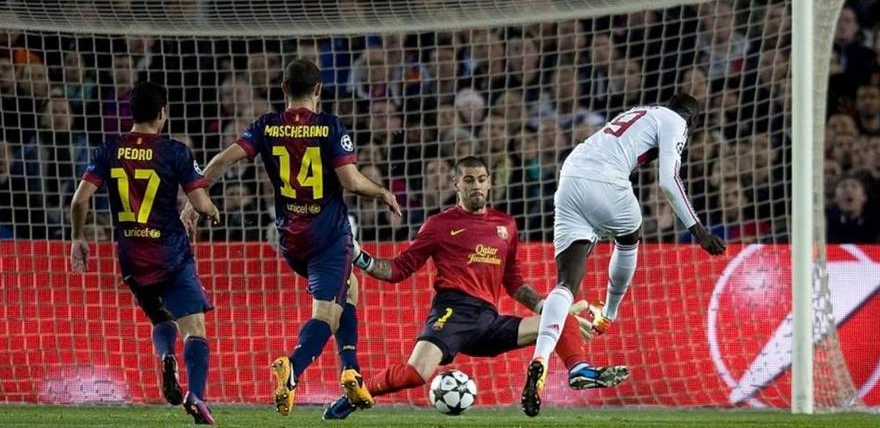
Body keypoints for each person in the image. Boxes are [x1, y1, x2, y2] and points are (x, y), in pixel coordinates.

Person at [323, 157, 626, 421]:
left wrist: (547, 309)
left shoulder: (506, 225)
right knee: (416, 373)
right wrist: (361, 258)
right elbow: (398, 269)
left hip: (488, 321)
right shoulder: (439, 224)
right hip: (453, 312)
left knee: (560, 321)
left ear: (490, 183)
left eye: (481, 180)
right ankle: (355, 395)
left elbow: (514, 282)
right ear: (456, 184)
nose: (476, 186)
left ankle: (578, 370)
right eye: (469, 180)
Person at [180, 59, 401, 416]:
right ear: (318, 90)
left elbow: (223, 160)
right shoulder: (329, 126)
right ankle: (293, 368)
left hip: (290, 239)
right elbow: (350, 181)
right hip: (329, 235)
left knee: (351, 287)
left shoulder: (266, 126)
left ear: (283, 89)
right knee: (327, 314)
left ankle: (352, 370)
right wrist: (382, 193)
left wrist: (196, 200)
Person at [522, 93, 726, 417]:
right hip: (605, 180)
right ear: (692, 119)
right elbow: (669, 180)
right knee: (629, 238)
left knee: (566, 284)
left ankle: (541, 356)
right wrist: (697, 229)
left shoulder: (642, 111)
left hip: (571, 174)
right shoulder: (677, 122)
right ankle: (609, 313)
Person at [68, 82, 221, 424]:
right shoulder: (175, 151)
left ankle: (166, 355)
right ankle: (196, 395)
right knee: (195, 329)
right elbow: (198, 202)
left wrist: (78, 236)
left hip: (132, 256)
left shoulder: (109, 150)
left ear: (131, 113)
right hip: (171, 254)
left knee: (160, 319)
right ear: (162, 113)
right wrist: (211, 210)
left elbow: (79, 200)